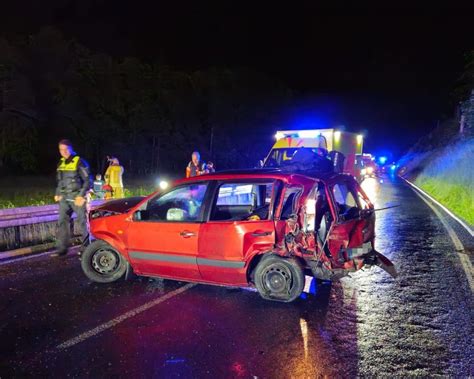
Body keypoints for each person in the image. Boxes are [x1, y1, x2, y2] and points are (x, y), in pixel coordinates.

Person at [52, 139, 91, 257]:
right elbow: (60, 181)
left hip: (77, 197)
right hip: (64, 198)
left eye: (65, 149)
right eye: (61, 149)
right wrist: (57, 193)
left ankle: (86, 250)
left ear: (71, 149)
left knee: (82, 223)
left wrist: (81, 195)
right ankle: (62, 249)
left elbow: (88, 180)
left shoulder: (80, 162)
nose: (63, 152)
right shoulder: (61, 163)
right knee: (62, 223)